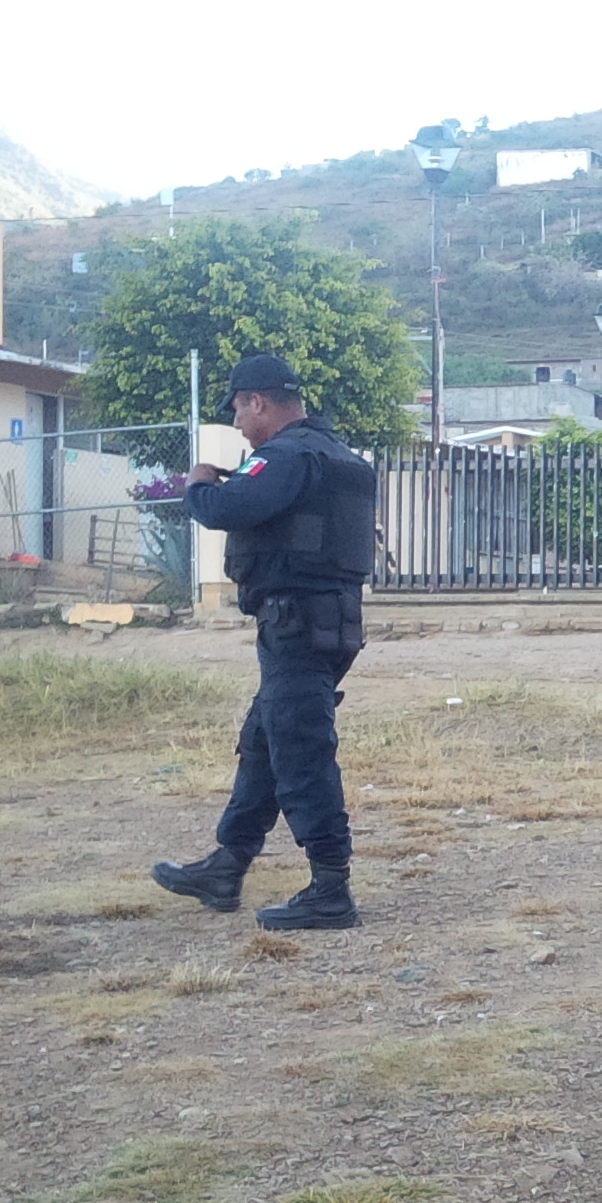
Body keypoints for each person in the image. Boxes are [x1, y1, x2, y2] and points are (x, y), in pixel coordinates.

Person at [151, 354, 375, 931]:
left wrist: (198, 480)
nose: (239, 426)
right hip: (328, 621)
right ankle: (227, 864)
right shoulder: (334, 454)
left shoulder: (288, 455)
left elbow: (225, 507)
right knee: (266, 742)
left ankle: (331, 888)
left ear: (258, 402)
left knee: (298, 748)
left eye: (239, 412)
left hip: (296, 622)